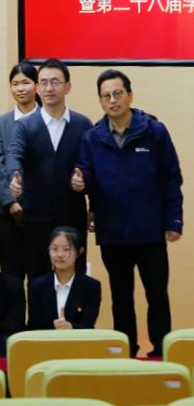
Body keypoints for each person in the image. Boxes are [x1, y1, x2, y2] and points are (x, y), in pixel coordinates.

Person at [75, 69, 183, 356]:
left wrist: (174, 221)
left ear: (130, 95)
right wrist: (80, 183)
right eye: (106, 96)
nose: (113, 100)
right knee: (121, 298)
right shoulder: (92, 138)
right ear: (100, 101)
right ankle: (127, 352)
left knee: (157, 295)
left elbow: (172, 178)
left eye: (118, 93)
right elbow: (86, 175)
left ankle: (161, 351)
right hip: (113, 232)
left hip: (150, 230)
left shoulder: (154, 131)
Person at [6, 59, 92, 280]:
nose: (49, 88)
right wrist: (14, 175)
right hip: (35, 216)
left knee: (75, 278)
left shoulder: (83, 124)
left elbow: (92, 165)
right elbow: (14, 154)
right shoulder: (25, 125)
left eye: (55, 82)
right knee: (37, 279)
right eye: (43, 82)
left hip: (72, 214)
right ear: (37, 87)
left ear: (67, 87)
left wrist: (85, 182)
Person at [0, 62, 40, 279]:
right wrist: (10, 200)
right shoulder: (3, 122)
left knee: (38, 273)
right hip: (6, 211)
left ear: (37, 86)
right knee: (11, 275)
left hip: (39, 210)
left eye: (26, 83)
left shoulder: (47, 119)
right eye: (15, 83)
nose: (20, 88)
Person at [27, 227, 101, 331]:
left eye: (66, 249)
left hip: (77, 340)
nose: (60, 255)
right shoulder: (38, 285)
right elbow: (34, 325)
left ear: (79, 251)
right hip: (45, 340)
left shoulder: (91, 286)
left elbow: (88, 324)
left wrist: (71, 327)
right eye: (54, 249)